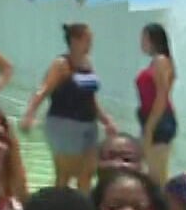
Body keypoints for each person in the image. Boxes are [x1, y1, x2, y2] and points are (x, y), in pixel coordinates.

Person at [19, 23, 117, 191]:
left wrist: (106, 120)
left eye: (90, 40)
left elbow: (91, 97)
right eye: (87, 40)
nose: (90, 45)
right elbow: (44, 90)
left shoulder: (87, 63)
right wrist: (29, 114)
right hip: (63, 124)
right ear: (74, 41)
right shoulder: (61, 64)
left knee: (88, 172)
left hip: (88, 124)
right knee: (65, 174)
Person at [136, 24, 178, 183]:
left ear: (153, 40)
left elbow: (162, 96)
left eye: (144, 38)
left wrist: (150, 127)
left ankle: (164, 206)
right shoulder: (159, 61)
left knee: (156, 177)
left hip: (158, 121)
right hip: (156, 119)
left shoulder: (160, 61)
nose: (141, 43)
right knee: (152, 174)